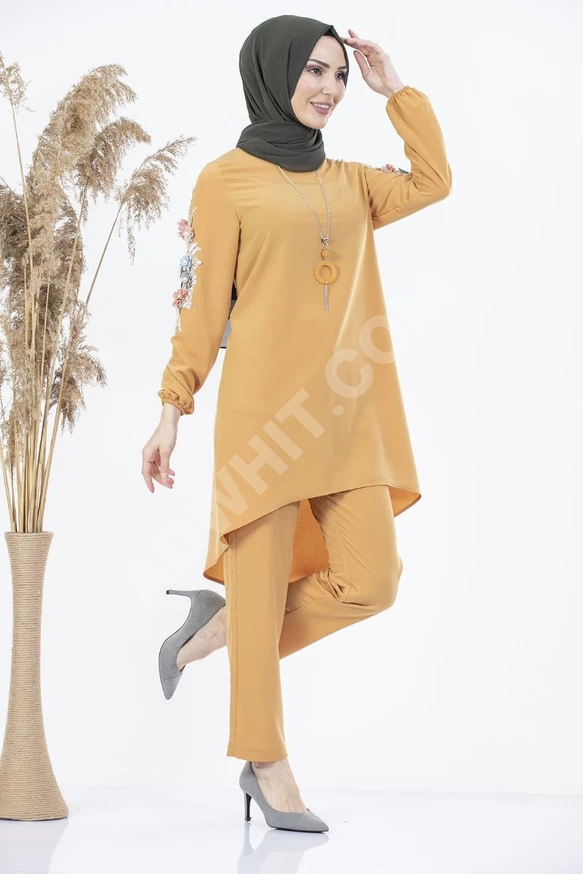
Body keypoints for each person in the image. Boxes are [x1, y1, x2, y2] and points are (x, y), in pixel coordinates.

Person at [142, 14, 452, 832]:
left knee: (372, 581)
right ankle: (267, 766)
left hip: (349, 420)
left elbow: (432, 180)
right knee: (260, 588)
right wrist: (172, 408)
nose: (329, 88)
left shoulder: (353, 182)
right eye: (314, 71)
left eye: (338, 74)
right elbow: (201, 310)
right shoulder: (224, 181)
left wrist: (393, 90)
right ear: (272, 73)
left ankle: (215, 631)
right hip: (263, 425)